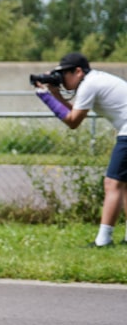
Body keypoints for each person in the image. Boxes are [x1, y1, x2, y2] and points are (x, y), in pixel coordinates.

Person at [32, 52, 127, 247]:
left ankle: (103, 240)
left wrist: (45, 97)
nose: (62, 80)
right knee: (123, 185)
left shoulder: (89, 85)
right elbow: (76, 111)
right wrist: (56, 94)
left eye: (64, 74)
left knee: (112, 184)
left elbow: (73, 122)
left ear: (77, 71)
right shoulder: (94, 80)